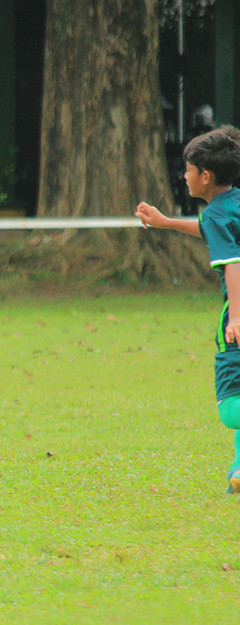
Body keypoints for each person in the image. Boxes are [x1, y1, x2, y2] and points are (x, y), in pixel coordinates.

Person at [135, 127, 240, 492]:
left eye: (189, 169)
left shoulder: (215, 215)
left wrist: (237, 317)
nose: (184, 175)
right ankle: (239, 473)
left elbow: (233, 263)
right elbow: (215, 230)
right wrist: (165, 222)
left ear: (205, 177)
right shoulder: (233, 204)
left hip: (238, 314)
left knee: (230, 408)